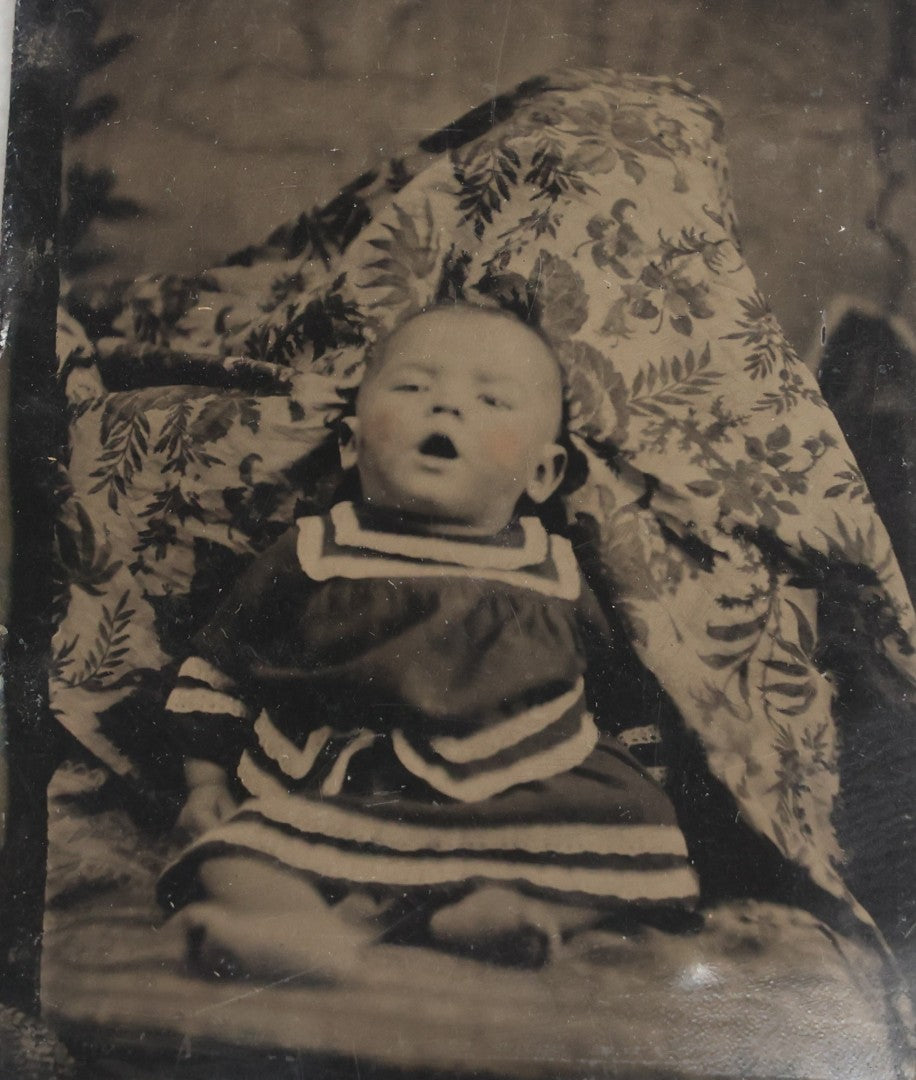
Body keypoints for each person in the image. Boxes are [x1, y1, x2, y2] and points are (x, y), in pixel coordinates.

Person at [157, 304, 699, 980]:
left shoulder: (555, 567)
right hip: (351, 781)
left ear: (542, 473)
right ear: (352, 445)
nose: (446, 408)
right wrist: (203, 781)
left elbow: (617, 691)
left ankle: (509, 911)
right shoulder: (316, 549)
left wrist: (646, 778)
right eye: (413, 388)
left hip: (524, 779)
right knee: (229, 848)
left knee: (642, 823)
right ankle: (302, 928)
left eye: (491, 399)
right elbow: (220, 665)